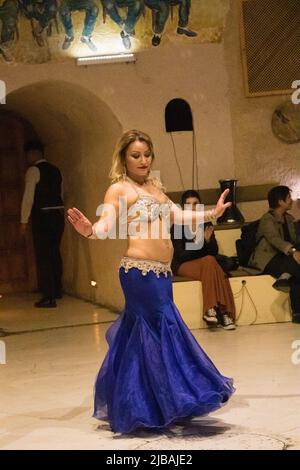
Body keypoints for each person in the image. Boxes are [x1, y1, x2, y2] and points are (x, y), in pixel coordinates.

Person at [67, 129, 235, 434]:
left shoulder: (156, 188)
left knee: (147, 338)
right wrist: (89, 229)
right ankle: (165, 401)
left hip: (161, 274)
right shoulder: (120, 190)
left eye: (147, 154)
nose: (143, 160)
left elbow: (179, 217)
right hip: (139, 274)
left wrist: (214, 212)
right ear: (124, 158)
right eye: (135, 155)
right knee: (162, 334)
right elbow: (106, 227)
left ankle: (148, 402)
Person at [171, 190, 236, 330]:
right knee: (211, 263)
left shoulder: (205, 223)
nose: (192, 207)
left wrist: (206, 242)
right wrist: (199, 242)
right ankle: (224, 312)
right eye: (188, 204)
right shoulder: (177, 225)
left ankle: (213, 312)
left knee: (210, 262)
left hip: (206, 265)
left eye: (195, 204)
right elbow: (181, 255)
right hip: (182, 265)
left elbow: (214, 251)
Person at [20, 141, 65, 308]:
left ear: (33, 154)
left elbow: (28, 197)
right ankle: (58, 289)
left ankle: (48, 295)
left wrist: (24, 220)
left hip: (43, 216)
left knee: (43, 255)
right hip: (58, 214)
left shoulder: (33, 171)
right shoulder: (56, 170)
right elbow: (61, 192)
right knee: (54, 252)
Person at [248, 185, 300, 324]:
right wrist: (293, 251)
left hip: (285, 256)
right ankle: (297, 311)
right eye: (289, 197)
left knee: (297, 270)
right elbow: (274, 239)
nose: (291, 200)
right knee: (297, 269)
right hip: (268, 258)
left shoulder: (289, 218)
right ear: (280, 201)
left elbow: (294, 240)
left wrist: (295, 250)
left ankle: (296, 312)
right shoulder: (267, 219)